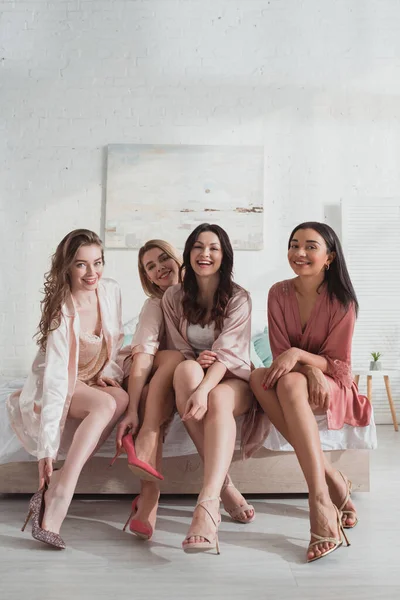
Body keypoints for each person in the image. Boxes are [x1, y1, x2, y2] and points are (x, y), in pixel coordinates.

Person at [250, 222, 371, 562]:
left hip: (334, 385)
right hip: (299, 380)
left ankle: (319, 500)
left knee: (286, 380)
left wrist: (301, 357)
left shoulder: (342, 302)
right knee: (259, 377)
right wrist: (302, 365)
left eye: (310, 246)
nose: (299, 253)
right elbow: (279, 358)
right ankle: (331, 477)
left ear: (329, 257)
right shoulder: (278, 293)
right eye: (294, 244)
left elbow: (341, 366)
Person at [7, 229, 128, 548]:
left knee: (121, 398)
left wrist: (104, 372)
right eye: (81, 265)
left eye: (97, 263)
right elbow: (58, 380)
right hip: (56, 382)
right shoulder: (64, 310)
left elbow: (114, 343)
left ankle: (61, 479)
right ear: (67, 268)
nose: (92, 273)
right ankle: (59, 494)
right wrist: (47, 449)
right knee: (103, 406)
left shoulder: (111, 291)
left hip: (89, 379)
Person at [162, 223, 255, 554]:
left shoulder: (239, 298)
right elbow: (178, 348)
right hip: (198, 373)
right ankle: (224, 486)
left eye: (214, 248)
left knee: (215, 397)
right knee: (184, 370)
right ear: (188, 253)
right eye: (198, 247)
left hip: (235, 377)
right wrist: (196, 367)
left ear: (224, 255)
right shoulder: (173, 296)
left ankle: (207, 504)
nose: (205, 254)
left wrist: (202, 390)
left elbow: (230, 354)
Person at [114, 240, 184, 539]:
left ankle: (147, 503)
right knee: (163, 372)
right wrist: (130, 408)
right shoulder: (154, 303)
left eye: (163, 259)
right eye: (150, 267)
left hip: (171, 376)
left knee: (161, 392)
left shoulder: (203, 297)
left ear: (179, 259)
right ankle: (146, 441)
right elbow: (144, 352)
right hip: (141, 367)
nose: (159, 269)